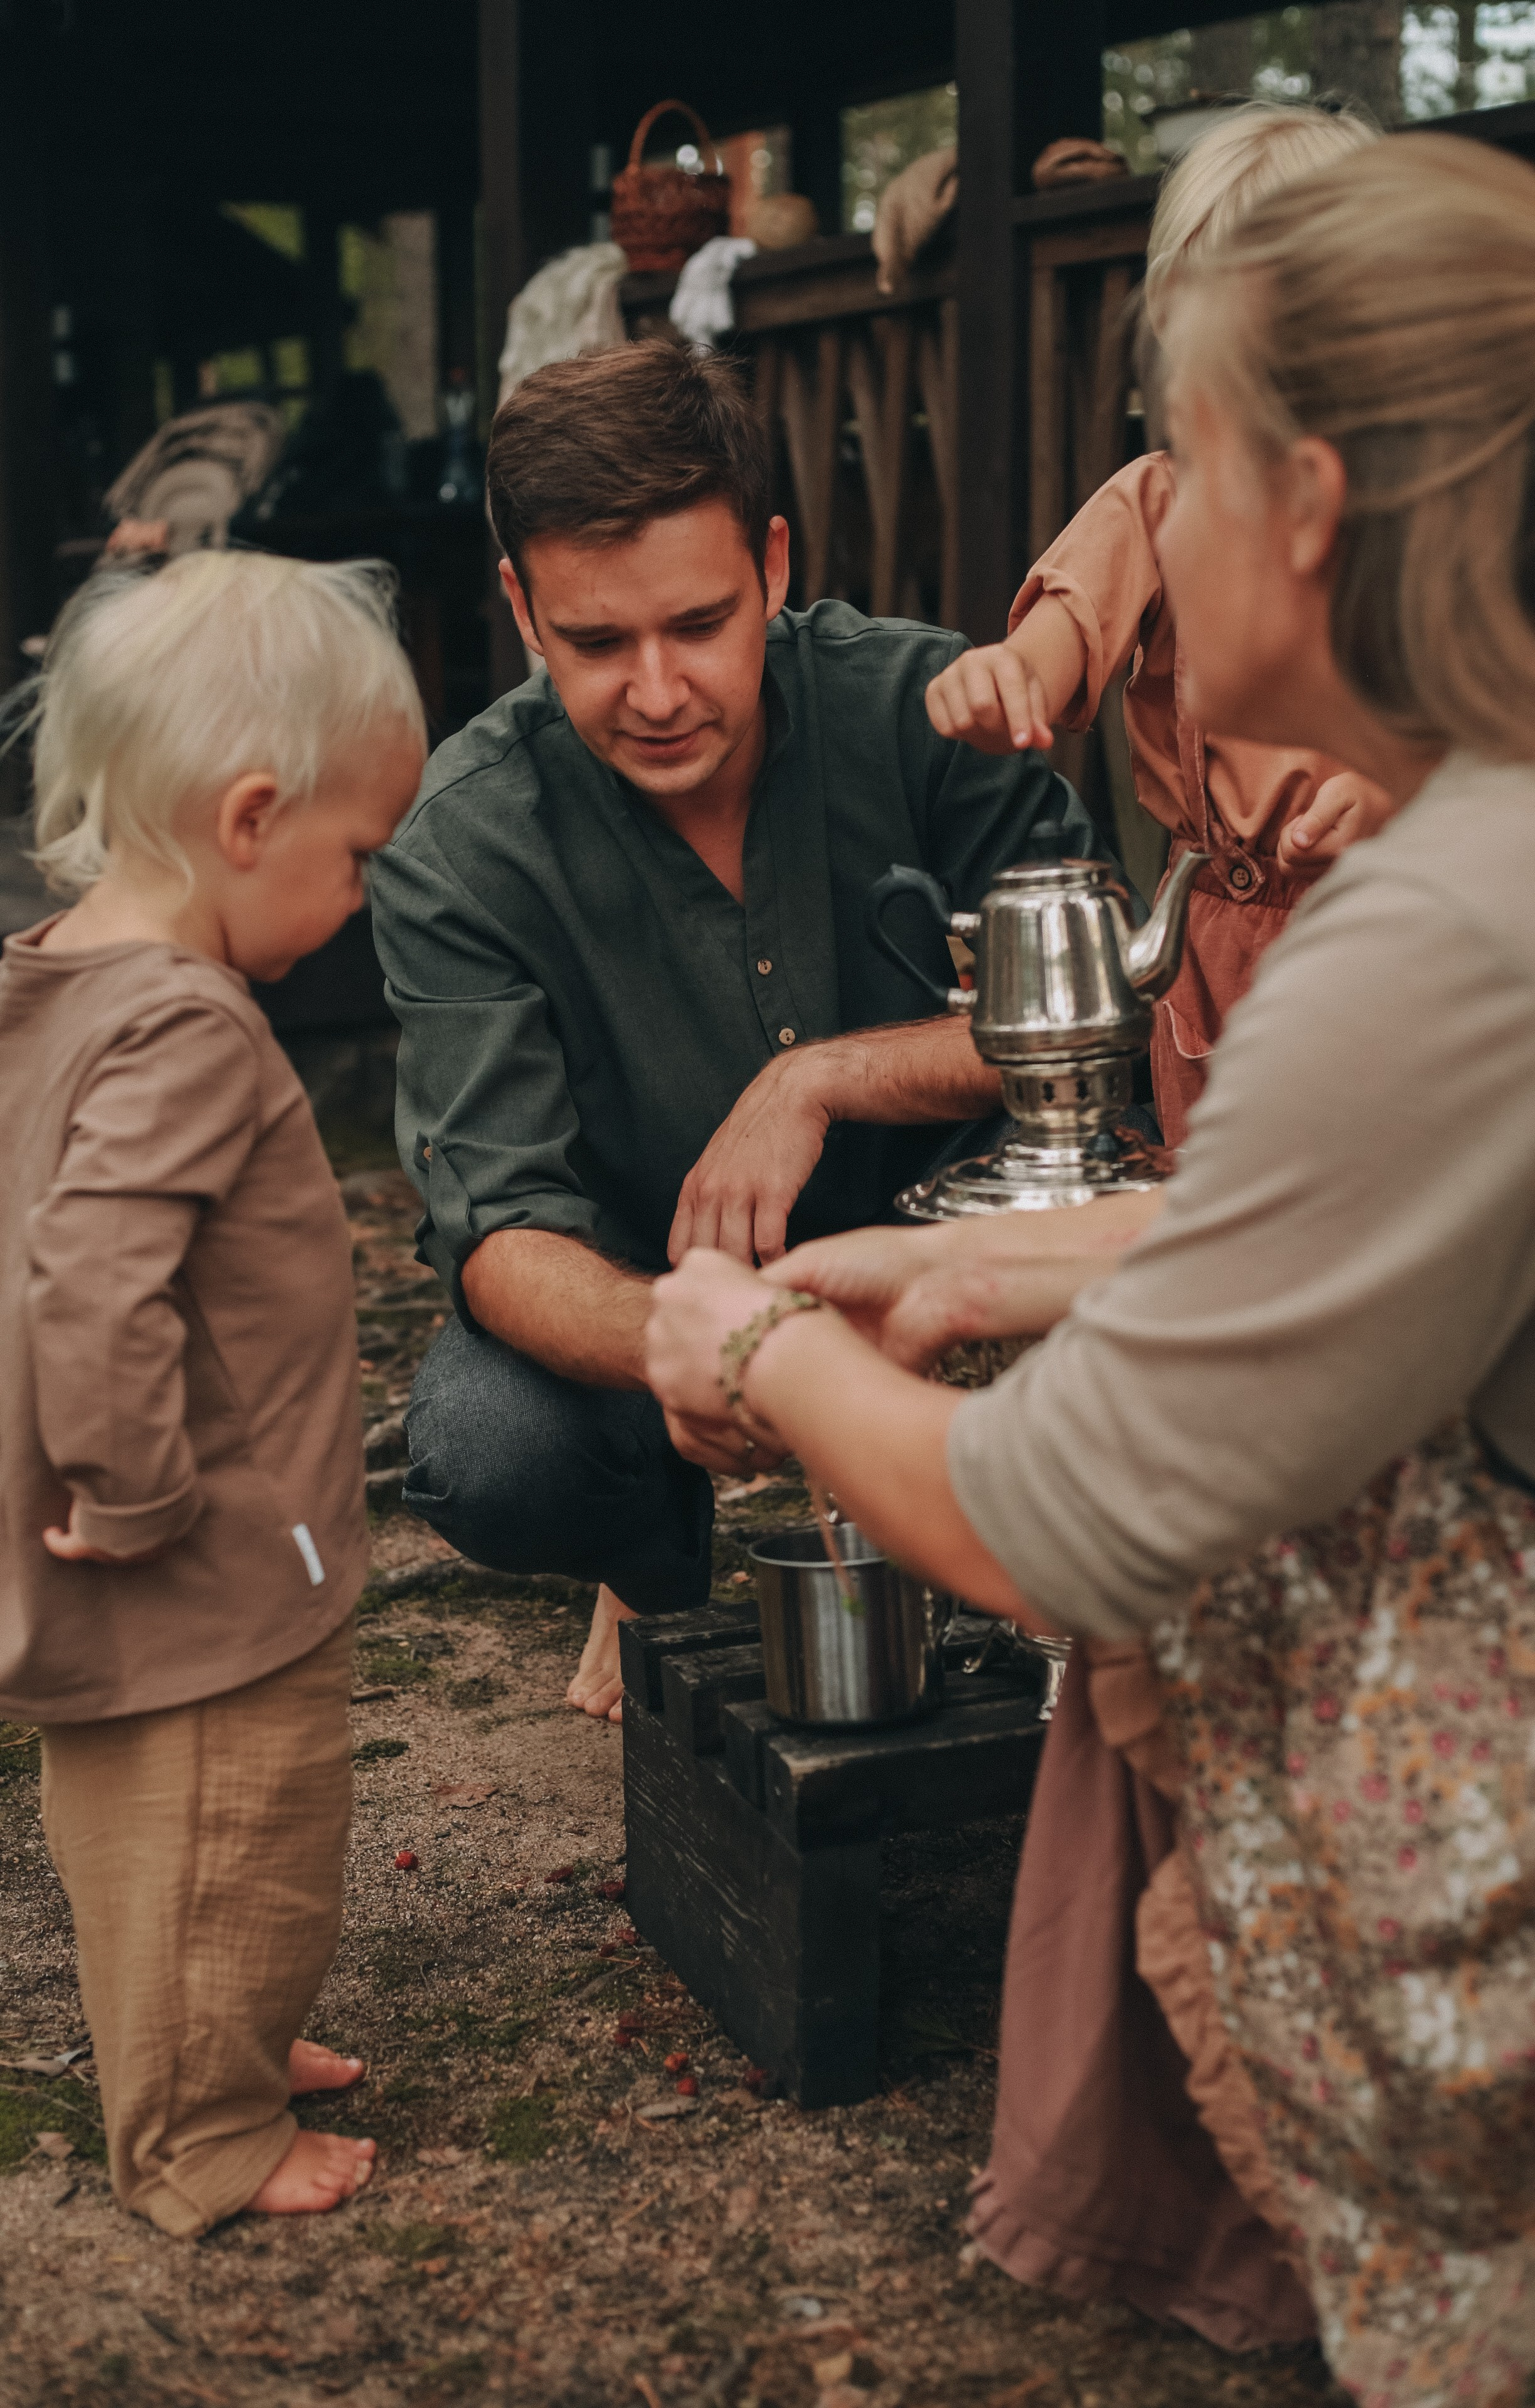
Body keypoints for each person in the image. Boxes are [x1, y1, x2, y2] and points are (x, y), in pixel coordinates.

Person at [646, 131, 1535, 2404]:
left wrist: (761, 1340)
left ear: (1313, 503)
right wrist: (964, 1282)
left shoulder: (1431, 930)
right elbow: (1361, 1222)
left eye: (1187, 465)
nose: (1159, 511)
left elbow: (1057, 1519)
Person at [367, 341, 1106, 1724]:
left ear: (772, 564)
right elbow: (503, 1231)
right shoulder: (457, 850)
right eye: (595, 643)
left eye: (699, 625)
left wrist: (820, 1075)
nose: (655, 692)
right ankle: (650, 1555)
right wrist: (699, 1341)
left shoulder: (922, 711)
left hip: (965, 1251)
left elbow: (1084, 1027)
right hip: (665, 1285)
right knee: (486, 1449)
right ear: (522, 609)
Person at [0, 551, 426, 2234]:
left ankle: (223, 2032)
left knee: (147, 1839)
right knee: (243, 1824)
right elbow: (90, 1278)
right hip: (203, 1545)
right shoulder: (194, 1032)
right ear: (250, 818)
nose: (363, 895)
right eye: (357, 855)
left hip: (126, 1543)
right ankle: (201, 2140)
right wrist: (135, 1490)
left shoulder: (21, 988)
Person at [925, 101, 1395, 1151]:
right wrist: (1006, 683)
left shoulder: (1410, 518)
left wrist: (1392, 792)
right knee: (1221, 1233)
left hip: (1379, 938)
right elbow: (1062, 632)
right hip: (1208, 952)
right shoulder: (1156, 503)